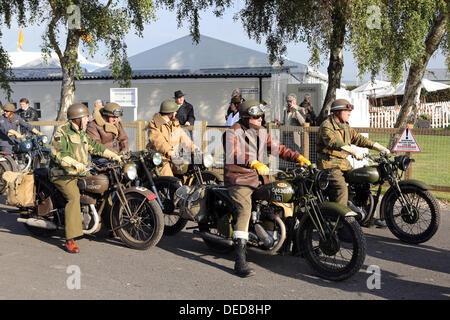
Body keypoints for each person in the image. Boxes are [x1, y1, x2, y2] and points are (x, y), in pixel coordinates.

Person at [224, 99, 311, 277]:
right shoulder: (233, 132)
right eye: (257, 117)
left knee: (280, 199)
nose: (260, 119)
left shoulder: (262, 131)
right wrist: (252, 163)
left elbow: (278, 148)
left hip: (260, 178)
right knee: (244, 209)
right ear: (248, 117)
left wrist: (298, 157)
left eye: (261, 116)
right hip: (240, 179)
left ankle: (275, 238)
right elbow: (234, 153)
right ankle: (240, 260)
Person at [49, 103, 122, 253]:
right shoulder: (62, 132)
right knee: (73, 197)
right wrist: (74, 163)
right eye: (85, 117)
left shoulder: (82, 133)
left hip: (81, 172)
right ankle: (70, 238)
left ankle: (111, 225)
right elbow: (57, 153)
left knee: (104, 186)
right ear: (76, 119)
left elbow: (95, 146)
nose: (88, 120)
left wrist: (113, 155)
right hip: (62, 173)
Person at [316, 98, 390, 227]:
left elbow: (359, 139)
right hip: (329, 165)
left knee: (364, 181)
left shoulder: (345, 126)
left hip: (344, 164)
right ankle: (340, 223)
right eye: (346, 110)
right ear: (337, 112)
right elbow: (335, 143)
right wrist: (353, 152)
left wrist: (379, 147)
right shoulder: (326, 126)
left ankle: (369, 218)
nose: (349, 113)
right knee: (341, 188)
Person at [147, 99, 196, 176]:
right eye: (175, 111)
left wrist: (195, 149)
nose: (176, 113)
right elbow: (158, 141)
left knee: (186, 173)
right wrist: (170, 152)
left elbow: (184, 139)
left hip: (174, 157)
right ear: (170, 113)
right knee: (169, 178)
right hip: (159, 158)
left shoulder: (174, 123)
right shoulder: (154, 124)